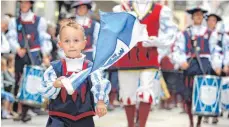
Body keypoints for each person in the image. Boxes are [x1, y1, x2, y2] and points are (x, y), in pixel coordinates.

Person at [113, 0, 178, 127]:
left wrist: (157, 41)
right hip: (127, 58)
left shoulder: (161, 10)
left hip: (150, 58)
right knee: (127, 95)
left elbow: (172, 33)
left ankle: (142, 124)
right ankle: (131, 124)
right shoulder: (120, 9)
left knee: (147, 92)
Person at [39, 19, 111, 127]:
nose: (71, 45)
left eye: (76, 40)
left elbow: (99, 84)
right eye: (67, 41)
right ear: (60, 44)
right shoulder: (54, 68)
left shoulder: (91, 67)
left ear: (84, 44)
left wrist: (100, 101)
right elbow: (45, 90)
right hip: (58, 117)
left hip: (84, 117)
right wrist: (55, 85)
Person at [171, 7, 221, 127]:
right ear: (192, 17)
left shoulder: (210, 34)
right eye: (196, 15)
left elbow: (215, 51)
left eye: (200, 15)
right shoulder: (184, 33)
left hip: (204, 65)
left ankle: (198, 122)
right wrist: (181, 61)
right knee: (188, 95)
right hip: (190, 65)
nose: (198, 17)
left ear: (203, 17)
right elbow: (177, 49)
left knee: (202, 94)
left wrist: (217, 65)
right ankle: (191, 122)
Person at [7, 0, 52, 122]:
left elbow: (43, 38)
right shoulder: (14, 21)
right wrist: (17, 48)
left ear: (30, 4)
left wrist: (45, 54)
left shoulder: (39, 21)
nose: (23, 5)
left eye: (26, 2)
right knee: (18, 81)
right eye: (22, 2)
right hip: (20, 55)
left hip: (33, 54)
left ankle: (25, 112)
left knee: (31, 81)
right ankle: (20, 111)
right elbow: (12, 36)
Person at [203, 13, 223, 124]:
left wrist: (222, 65)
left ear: (216, 22)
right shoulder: (203, 33)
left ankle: (215, 113)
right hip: (205, 64)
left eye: (213, 20)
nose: (211, 22)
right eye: (209, 20)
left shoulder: (220, 35)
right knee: (205, 87)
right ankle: (206, 112)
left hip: (217, 65)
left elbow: (224, 50)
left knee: (216, 88)